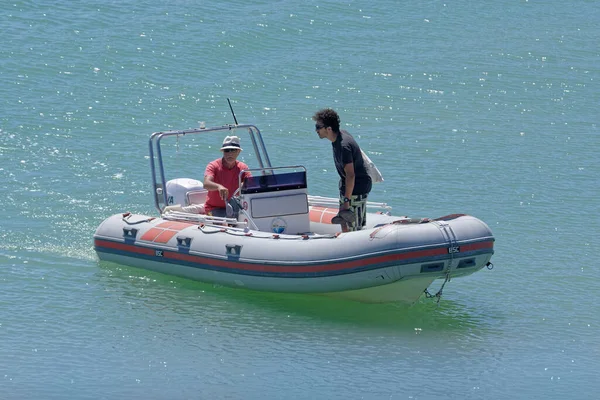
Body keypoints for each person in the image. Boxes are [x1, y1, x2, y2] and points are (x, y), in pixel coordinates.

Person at [312, 108, 372, 232]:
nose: (316, 130)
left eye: (318, 127)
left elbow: (351, 175)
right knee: (344, 222)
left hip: (357, 188)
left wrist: (346, 201)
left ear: (328, 129)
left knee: (353, 227)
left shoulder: (343, 146)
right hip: (347, 187)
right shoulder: (339, 136)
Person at [163, 135, 250, 218]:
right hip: (214, 208)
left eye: (233, 150)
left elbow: (251, 184)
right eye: (227, 150)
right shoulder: (214, 165)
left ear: (238, 152)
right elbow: (206, 184)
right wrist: (218, 186)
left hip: (236, 207)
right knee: (228, 221)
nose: (229, 153)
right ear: (223, 152)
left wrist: (244, 185)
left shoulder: (243, 168)